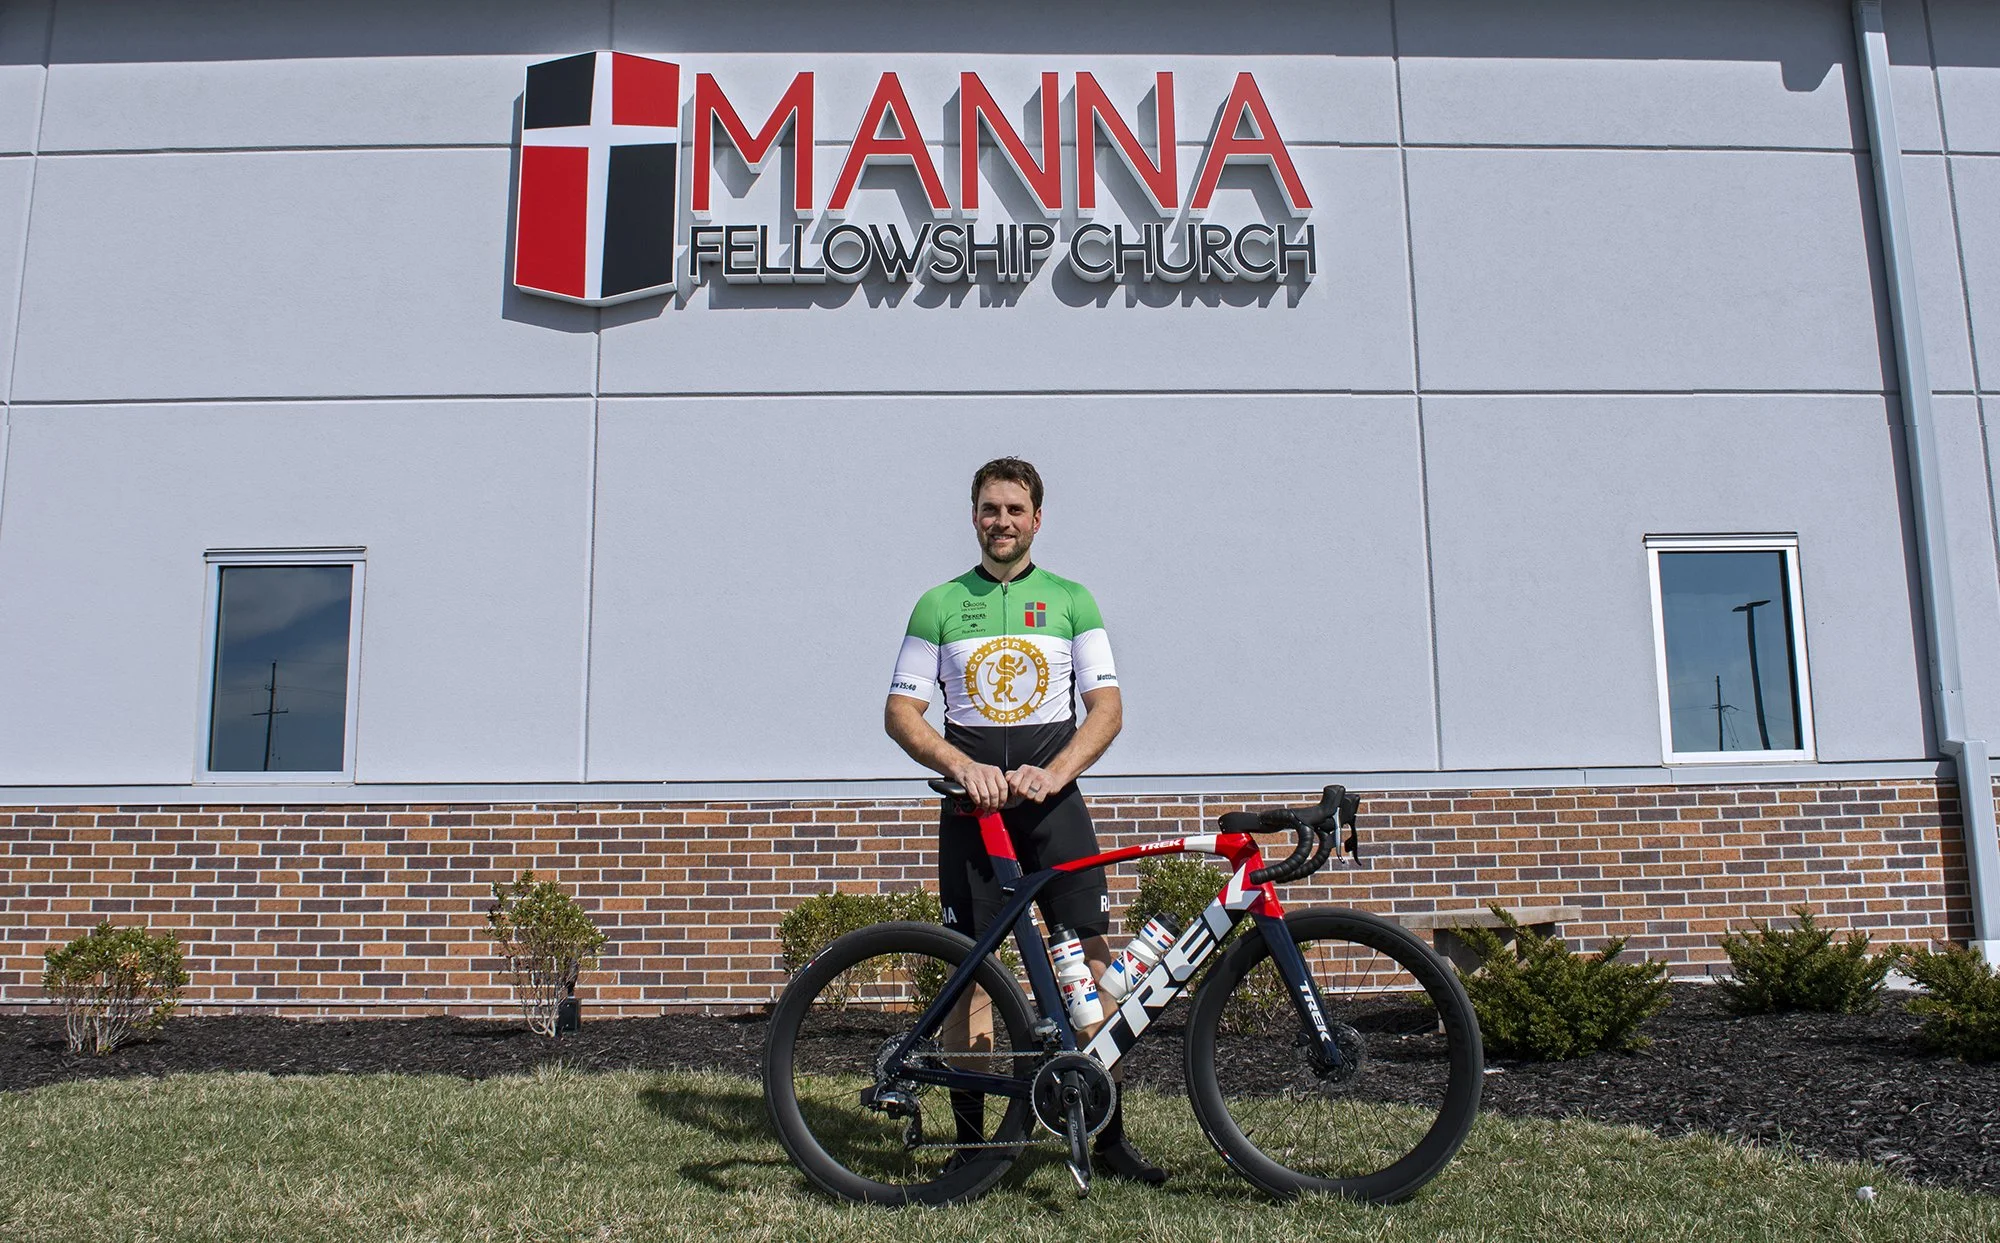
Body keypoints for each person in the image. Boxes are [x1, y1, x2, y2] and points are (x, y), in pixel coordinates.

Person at [884, 456, 1165, 1185]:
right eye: (990, 508)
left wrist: (1057, 772)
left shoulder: (1072, 600)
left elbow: (1107, 709)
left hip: (1053, 808)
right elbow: (901, 712)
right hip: (973, 815)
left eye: (1015, 509)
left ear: (1037, 519)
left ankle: (1107, 1137)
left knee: (1094, 968)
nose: (1001, 521)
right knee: (970, 979)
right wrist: (961, 765)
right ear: (974, 516)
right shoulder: (938, 604)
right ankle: (972, 1150)